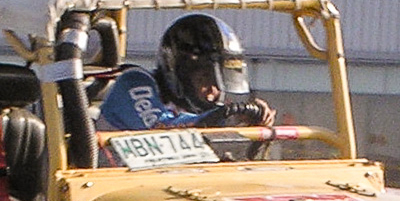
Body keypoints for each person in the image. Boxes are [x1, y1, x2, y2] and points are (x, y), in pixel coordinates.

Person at [98, 14, 276, 132]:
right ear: (179, 71)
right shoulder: (133, 83)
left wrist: (248, 126)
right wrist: (224, 118)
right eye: (205, 77)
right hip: (107, 185)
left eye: (221, 80)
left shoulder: (201, 114)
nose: (214, 91)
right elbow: (162, 128)